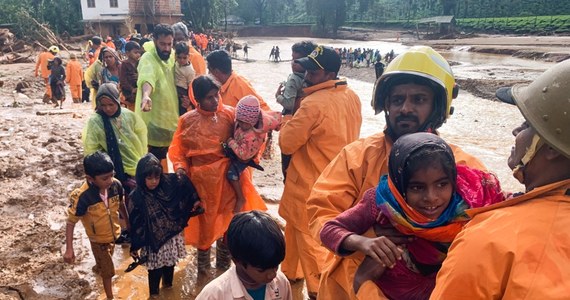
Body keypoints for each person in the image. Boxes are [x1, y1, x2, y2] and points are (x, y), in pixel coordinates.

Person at [306, 46, 486, 300]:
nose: (405, 108)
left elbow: (483, 237)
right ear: (386, 104)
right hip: (347, 287)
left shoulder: (465, 168)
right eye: (397, 99)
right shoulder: (356, 156)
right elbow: (320, 213)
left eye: (419, 99)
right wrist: (368, 236)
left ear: (437, 107)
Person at [430, 59, 570, 299]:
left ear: (552, 149)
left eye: (527, 124)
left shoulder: (491, 239)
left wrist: (364, 286)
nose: (516, 131)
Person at [320, 132, 505, 299]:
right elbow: (329, 229)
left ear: (453, 182)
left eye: (442, 185)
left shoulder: (472, 205)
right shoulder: (384, 202)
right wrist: (363, 242)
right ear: (400, 186)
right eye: (417, 187)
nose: (431, 198)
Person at [278, 45, 362, 299]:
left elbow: (287, 142)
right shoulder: (352, 97)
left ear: (328, 74)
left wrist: (285, 118)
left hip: (309, 185)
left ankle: (317, 291)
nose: (306, 75)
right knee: (293, 232)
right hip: (339, 180)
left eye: (312, 72)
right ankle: (288, 275)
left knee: (311, 243)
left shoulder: (313, 103)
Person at [168, 75, 267, 273]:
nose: (214, 101)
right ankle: (203, 274)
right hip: (201, 184)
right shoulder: (186, 121)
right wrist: (180, 169)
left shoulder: (231, 115)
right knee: (205, 225)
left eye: (216, 95)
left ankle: (224, 270)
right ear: (197, 99)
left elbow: (251, 139)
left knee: (229, 223)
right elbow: (178, 151)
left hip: (229, 181)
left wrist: (250, 157)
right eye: (208, 97)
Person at [128, 153, 201, 297]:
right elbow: (136, 223)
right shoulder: (137, 197)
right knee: (154, 271)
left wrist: (195, 199)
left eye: (157, 177)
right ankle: (154, 295)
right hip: (153, 241)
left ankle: (169, 290)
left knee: (170, 265)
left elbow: (183, 181)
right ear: (142, 178)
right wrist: (135, 246)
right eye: (149, 178)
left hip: (171, 238)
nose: (154, 181)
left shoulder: (168, 183)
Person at [64, 151, 129, 300]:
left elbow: (121, 204)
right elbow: (71, 222)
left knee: (105, 261)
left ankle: (98, 267)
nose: (110, 180)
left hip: (113, 234)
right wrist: (69, 248)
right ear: (90, 178)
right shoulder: (83, 196)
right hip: (97, 240)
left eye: (112, 175)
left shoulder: (116, 186)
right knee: (109, 272)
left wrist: (127, 223)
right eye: (105, 178)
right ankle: (110, 297)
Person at [196, 211, 292, 300]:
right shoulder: (214, 295)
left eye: (276, 266)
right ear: (237, 261)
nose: (273, 274)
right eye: (261, 270)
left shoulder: (281, 282)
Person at [225, 95, 282, 213]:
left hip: (245, 156)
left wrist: (231, 142)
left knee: (231, 174)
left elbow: (243, 155)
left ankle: (240, 198)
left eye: (243, 123)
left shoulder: (252, 137)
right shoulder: (243, 124)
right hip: (241, 146)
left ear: (252, 121)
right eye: (238, 121)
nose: (239, 124)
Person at [135, 24, 179, 171]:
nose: (166, 48)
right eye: (162, 44)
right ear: (154, 41)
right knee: (155, 162)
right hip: (154, 122)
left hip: (171, 119)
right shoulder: (148, 58)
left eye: (169, 44)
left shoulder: (171, 55)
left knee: (174, 157)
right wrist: (146, 95)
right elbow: (147, 78)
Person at [274, 41, 317, 181]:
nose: (292, 63)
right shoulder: (314, 81)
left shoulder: (294, 79)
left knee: (287, 164)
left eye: (296, 60)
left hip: (291, 121)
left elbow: (289, 103)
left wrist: (278, 96)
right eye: (292, 59)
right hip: (307, 126)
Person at [206, 50, 270, 110]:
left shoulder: (240, 85)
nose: (208, 74)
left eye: (209, 70)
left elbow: (262, 109)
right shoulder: (218, 85)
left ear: (217, 72)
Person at [174, 41, 196, 115]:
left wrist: (189, 99)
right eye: (179, 57)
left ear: (188, 56)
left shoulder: (190, 71)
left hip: (182, 92)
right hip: (173, 89)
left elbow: (191, 86)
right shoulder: (175, 63)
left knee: (181, 113)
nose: (182, 60)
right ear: (175, 55)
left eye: (184, 58)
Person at [119, 41, 141, 111]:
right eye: (135, 52)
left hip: (140, 91)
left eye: (139, 52)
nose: (138, 55)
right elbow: (123, 80)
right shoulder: (124, 65)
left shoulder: (140, 63)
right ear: (127, 53)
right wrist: (132, 89)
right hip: (129, 94)